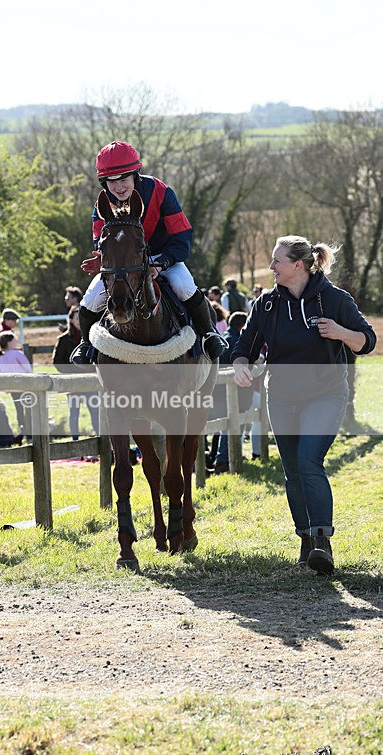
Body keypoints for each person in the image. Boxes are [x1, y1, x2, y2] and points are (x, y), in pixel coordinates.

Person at [232, 235, 376, 575]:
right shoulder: (266, 305)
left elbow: (366, 341)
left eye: (277, 261)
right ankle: (306, 539)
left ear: (298, 265)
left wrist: (340, 331)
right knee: (293, 473)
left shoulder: (334, 300)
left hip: (325, 395)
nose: (271, 267)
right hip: (281, 398)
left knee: (309, 461)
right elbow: (244, 345)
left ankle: (322, 540)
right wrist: (240, 365)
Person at [71, 140, 227, 364]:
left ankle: (209, 335)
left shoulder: (161, 192)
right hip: (123, 266)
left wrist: (160, 264)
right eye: (111, 182)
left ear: (136, 174)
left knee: (184, 286)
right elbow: (100, 241)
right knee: (91, 300)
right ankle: (86, 344)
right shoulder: (102, 205)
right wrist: (101, 260)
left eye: (124, 179)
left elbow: (182, 238)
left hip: (164, 257)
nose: (119, 187)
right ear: (104, 183)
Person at [211, 312, 254, 473]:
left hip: (218, 390)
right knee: (231, 426)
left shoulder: (224, 337)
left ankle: (222, 458)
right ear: (243, 326)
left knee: (226, 426)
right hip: (231, 391)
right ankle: (223, 460)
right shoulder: (235, 341)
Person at [52, 305, 100, 439]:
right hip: (73, 383)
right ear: (71, 319)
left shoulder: (92, 338)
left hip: (91, 382)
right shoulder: (64, 339)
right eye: (76, 317)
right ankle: (74, 441)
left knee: (95, 412)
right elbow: (57, 362)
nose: (79, 320)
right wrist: (75, 370)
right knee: (74, 413)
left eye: (81, 318)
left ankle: (99, 440)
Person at [0, 331, 33, 440]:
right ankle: (31, 431)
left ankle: (23, 430)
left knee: (19, 409)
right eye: (14, 340)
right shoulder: (17, 354)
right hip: (25, 386)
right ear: (9, 342)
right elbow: (27, 368)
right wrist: (31, 378)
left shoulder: (1, 358)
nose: (16, 342)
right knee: (29, 408)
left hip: (12, 388)